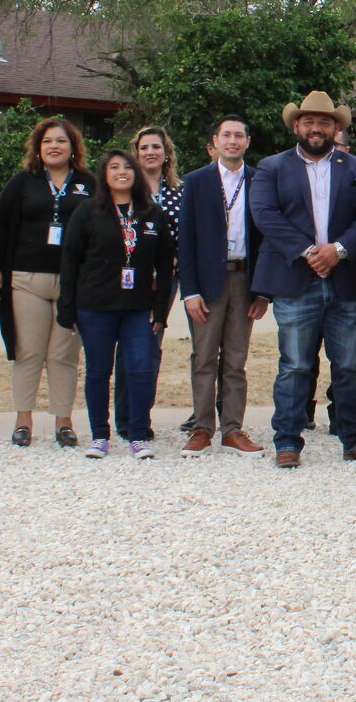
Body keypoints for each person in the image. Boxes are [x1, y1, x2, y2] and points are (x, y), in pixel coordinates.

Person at [251, 91, 356, 468]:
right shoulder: (271, 167)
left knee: (350, 365)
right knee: (295, 365)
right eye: (308, 122)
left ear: (336, 127)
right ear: (296, 126)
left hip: (346, 281)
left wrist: (337, 250)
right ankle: (287, 440)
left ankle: (353, 440)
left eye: (323, 122)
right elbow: (265, 215)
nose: (316, 128)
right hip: (295, 281)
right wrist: (310, 252)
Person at [58, 149, 177, 459]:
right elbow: (70, 260)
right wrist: (67, 308)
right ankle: (99, 435)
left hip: (138, 307)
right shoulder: (87, 212)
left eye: (128, 166)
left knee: (140, 369)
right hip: (95, 306)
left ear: (137, 174)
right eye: (114, 167)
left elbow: (166, 265)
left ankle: (137, 434)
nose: (122, 172)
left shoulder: (152, 213)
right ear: (104, 174)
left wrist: (161, 310)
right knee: (98, 371)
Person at [0, 117, 93, 448]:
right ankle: (23, 421)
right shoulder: (22, 182)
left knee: (63, 355)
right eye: (47, 141)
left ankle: (64, 422)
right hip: (26, 278)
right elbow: (2, 228)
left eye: (61, 140)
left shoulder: (89, 183)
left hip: (72, 281)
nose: (54, 146)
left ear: (73, 146)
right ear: (38, 146)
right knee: (28, 351)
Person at [178, 116, 269, 454]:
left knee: (236, 358)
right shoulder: (197, 181)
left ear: (247, 141)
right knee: (203, 357)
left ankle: (233, 429)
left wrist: (263, 291)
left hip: (245, 279)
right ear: (214, 141)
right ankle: (202, 428)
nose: (233, 140)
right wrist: (189, 291)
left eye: (239, 135)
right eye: (226, 135)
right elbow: (185, 240)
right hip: (206, 281)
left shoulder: (260, 180)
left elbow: (266, 238)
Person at [113, 125, 184, 435]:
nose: (151, 152)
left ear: (166, 152)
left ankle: (142, 416)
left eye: (156, 146)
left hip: (166, 278)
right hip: (130, 278)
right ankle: (125, 418)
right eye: (144, 147)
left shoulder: (180, 191)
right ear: (136, 152)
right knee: (127, 345)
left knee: (151, 344)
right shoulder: (125, 189)